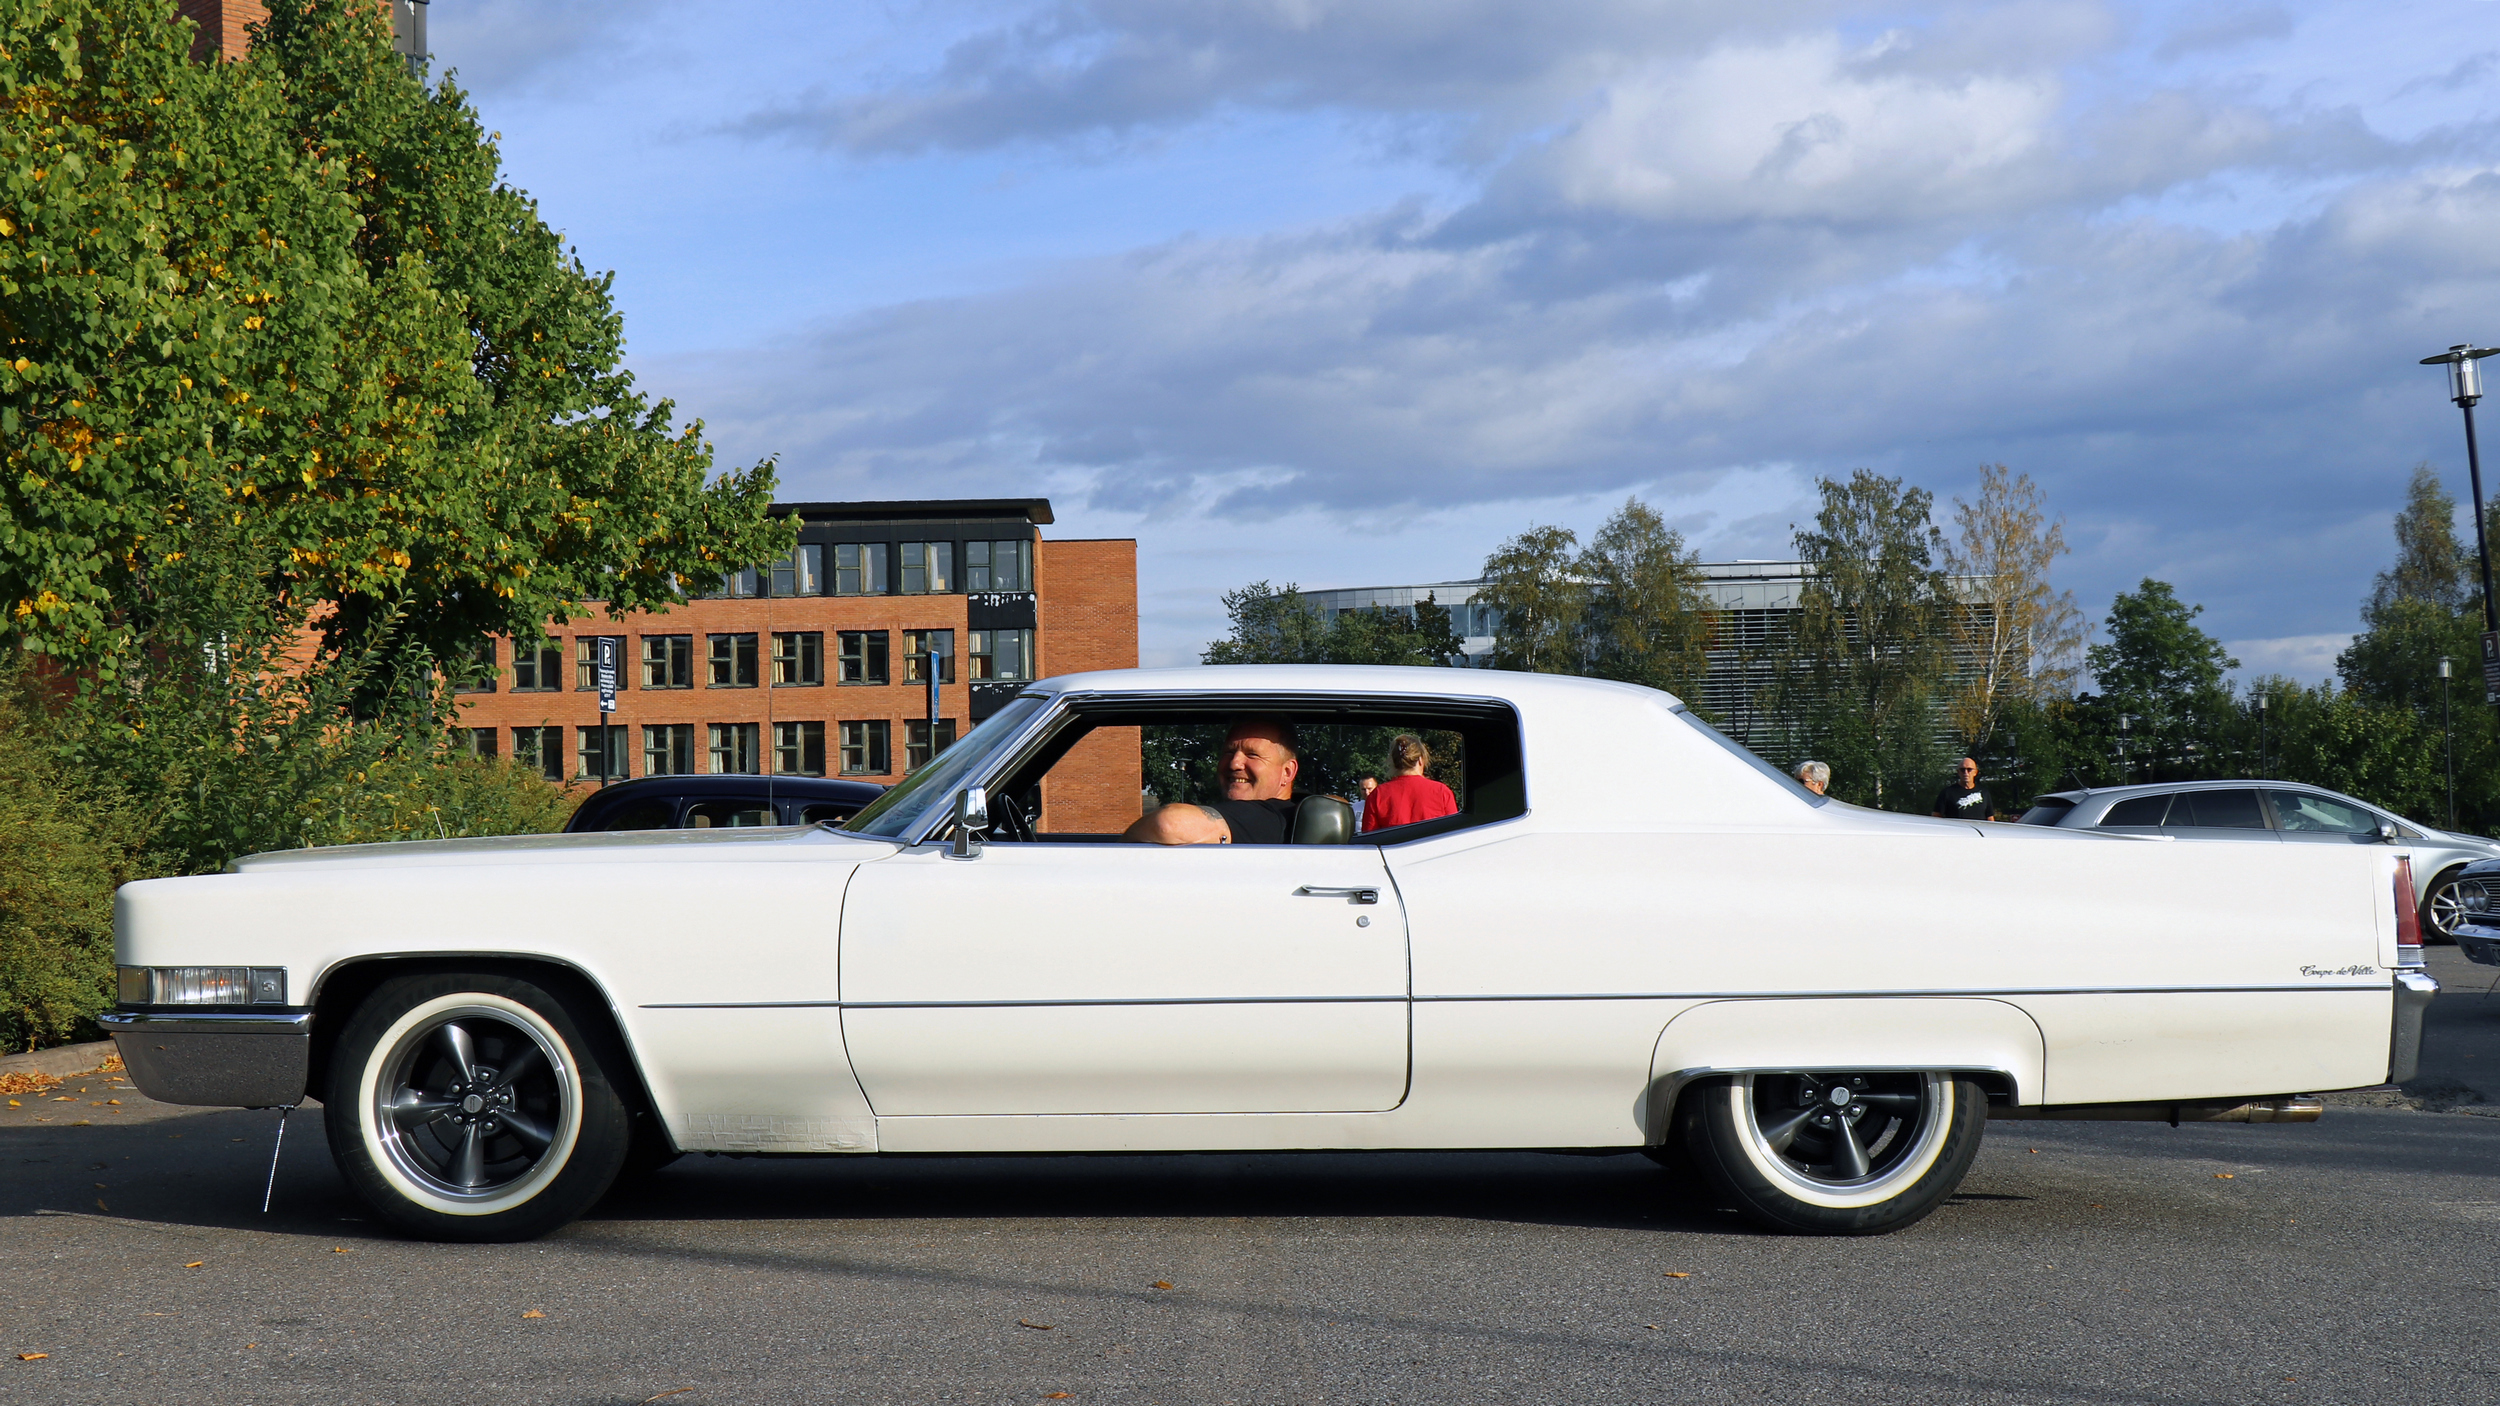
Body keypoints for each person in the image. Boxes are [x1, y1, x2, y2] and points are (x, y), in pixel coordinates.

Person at [1123, 718, 1303, 844]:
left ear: (1287, 772)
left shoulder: (1270, 817)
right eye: (1229, 752)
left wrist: (1119, 847)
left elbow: (1169, 824)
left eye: (1252, 754)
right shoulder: (1295, 813)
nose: (1234, 763)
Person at [1361, 734, 1458, 832]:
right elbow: (1454, 833)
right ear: (1421, 760)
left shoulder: (1377, 795)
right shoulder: (1442, 792)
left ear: (1393, 762)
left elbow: (1369, 837)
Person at [1932, 757, 1993, 821]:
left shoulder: (1984, 793)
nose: (1966, 773)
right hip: (1956, 827)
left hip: (1978, 827)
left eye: (1969, 769)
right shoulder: (1947, 793)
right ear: (1958, 772)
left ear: (1975, 772)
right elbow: (1936, 817)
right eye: (1962, 770)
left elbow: (1990, 817)